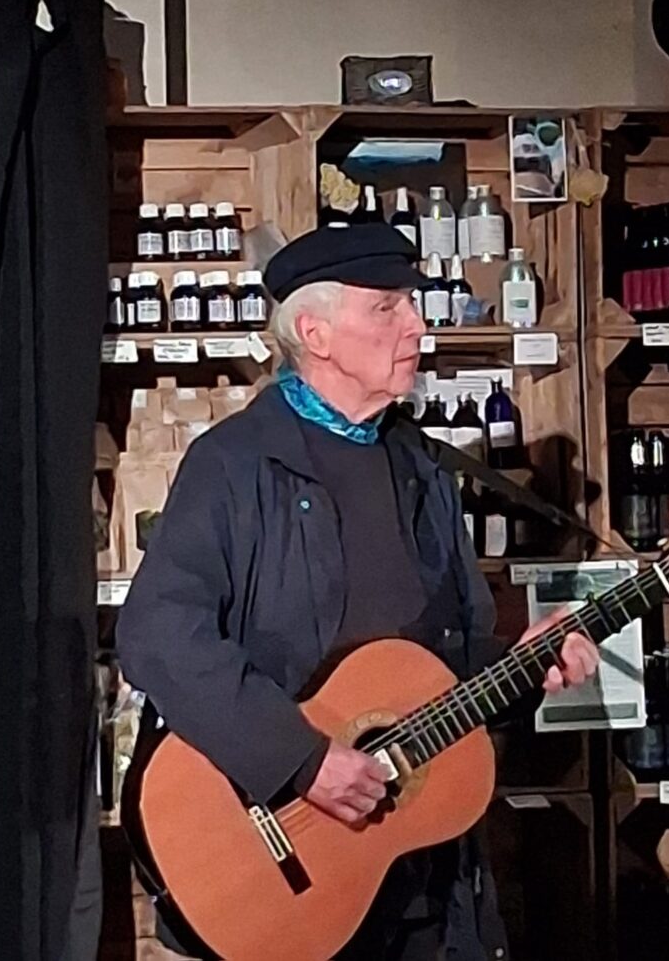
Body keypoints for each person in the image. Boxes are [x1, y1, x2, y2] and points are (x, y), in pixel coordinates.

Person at [117, 222, 600, 959]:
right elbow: (156, 636)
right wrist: (302, 760)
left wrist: (524, 664)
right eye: (387, 307)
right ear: (315, 333)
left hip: (426, 883)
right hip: (294, 884)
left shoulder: (423, 466)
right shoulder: (235, 464)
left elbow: (441, 671)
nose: (418, 326)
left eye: (413, 304)